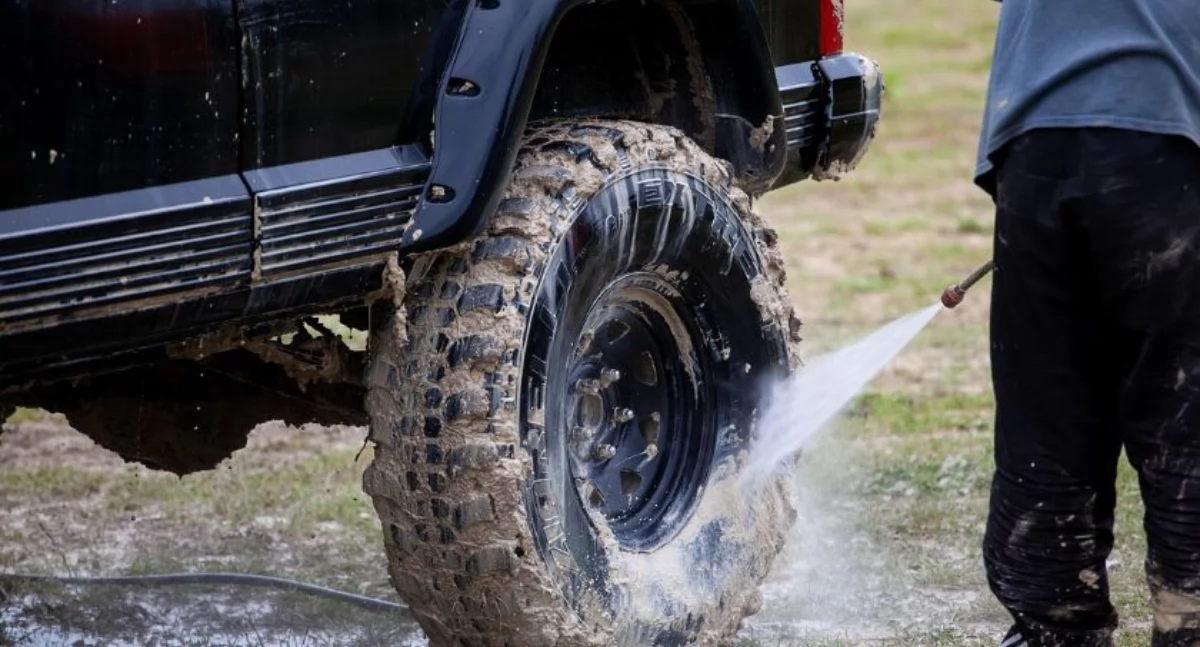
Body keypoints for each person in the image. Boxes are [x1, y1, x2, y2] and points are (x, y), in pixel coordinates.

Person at [973, 1, 1200, 645]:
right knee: (1182, 405)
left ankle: (1054, 621)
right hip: (1167, 133)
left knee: (1048, 408)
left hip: (1035, 139)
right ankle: (1190, 618)